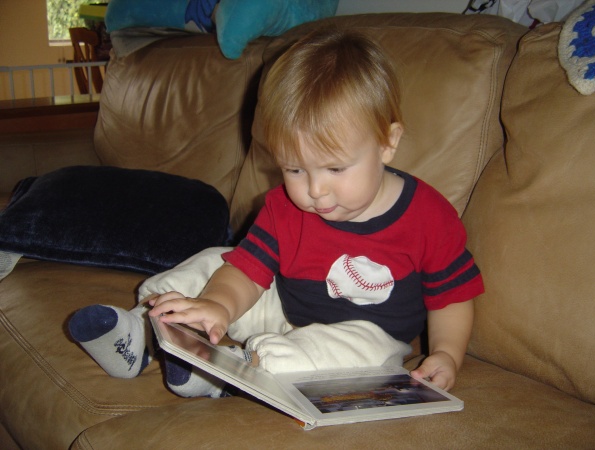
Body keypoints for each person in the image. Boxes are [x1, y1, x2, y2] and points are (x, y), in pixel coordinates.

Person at [69, 28, 484, 398]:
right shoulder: (284, 205)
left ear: (387, 143)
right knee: (217, 260)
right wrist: (217, 303)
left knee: (369, 354)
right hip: (281, 305)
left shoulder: (429, 218)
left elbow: (452, 299)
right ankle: (141, 333)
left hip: (364, 335)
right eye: (294, 169)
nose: (315, 190)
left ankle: (223, 373)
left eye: (335, 168)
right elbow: (248, 272)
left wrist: (447, 354)